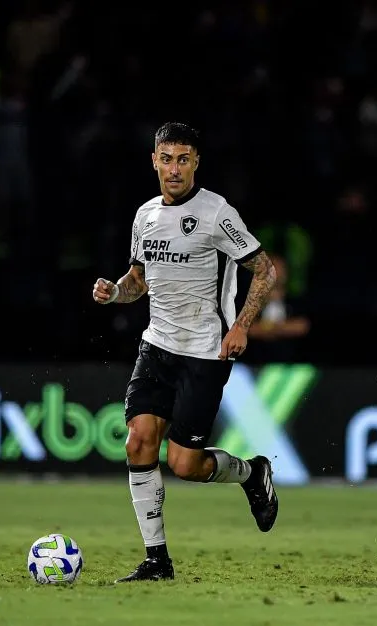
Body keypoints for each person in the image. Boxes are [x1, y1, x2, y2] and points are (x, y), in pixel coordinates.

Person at [92, 122, 280, 583]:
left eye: (183, 159)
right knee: (138, 442)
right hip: (157, 345)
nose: (174, 168)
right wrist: (115, 293)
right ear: (153, 160)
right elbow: (139, 280)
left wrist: (241, 326)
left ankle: (252, 473)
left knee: (185, 466)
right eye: (166, 157)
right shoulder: (145, 216)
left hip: (203, 351)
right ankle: (157, 560)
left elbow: (264, 269)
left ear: (196, 163)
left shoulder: (216, 212)